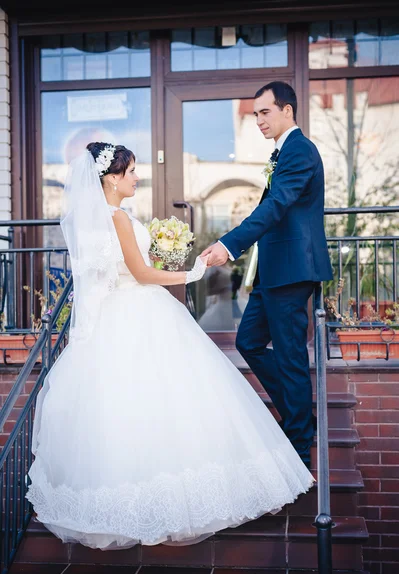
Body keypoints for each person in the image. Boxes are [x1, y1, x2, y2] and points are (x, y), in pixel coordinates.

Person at [26, 141, 314, 551]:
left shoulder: (84, 221)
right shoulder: (118, 218)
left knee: (127, 409)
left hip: (110, 318)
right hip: (139, 311)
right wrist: (189, 273)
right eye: (130, 172)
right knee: (167, 397)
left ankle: (126, 504)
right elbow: (142, 274)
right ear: (109, 178)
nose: (136, 177)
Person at [201, 82, 333, 468]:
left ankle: (297, 445)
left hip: (292, 271)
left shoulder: (300, 151)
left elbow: (276, 206)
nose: (258, 120)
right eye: (255, 114)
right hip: (274, 271)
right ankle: (299, 415)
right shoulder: (284, 152)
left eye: (265, 112)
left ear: (287, 111)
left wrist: (229, 244)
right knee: (249, 341)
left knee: (291, 357)